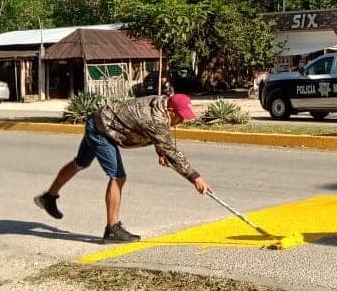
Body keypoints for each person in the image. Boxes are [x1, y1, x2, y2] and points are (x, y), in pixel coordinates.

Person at [34, 93, 212, 243]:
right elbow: (167, 145)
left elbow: (158, 138)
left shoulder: (162, 104)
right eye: (180, 116)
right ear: (170, 111)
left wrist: (161, 151)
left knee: (80, 163)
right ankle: (112, 229)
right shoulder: (155, 118)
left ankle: (48, 197)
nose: (182, 121)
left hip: (101, 121)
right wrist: (195, 177)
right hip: (102, 130)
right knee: (118, 177)